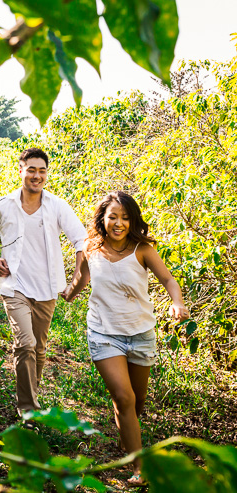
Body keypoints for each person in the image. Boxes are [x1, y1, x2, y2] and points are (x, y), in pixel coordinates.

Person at [62, 191, 189, 487]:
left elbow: (168, 279)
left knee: (136, 401)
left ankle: (126, 434)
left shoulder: (142, 249)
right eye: (113, 217)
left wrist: (177, 302)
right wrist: (68, 292)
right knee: (124, 397)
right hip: (104, 332)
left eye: (125, 218)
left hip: (141, 334)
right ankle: (138, 467)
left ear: (132, 221)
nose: (118, 223)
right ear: (102, 219)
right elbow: (81, 278)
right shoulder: (90, 247)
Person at [0, 147, 86, 418]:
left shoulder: (57, 206)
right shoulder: (2, 206)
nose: (36, 176)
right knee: (25, 344)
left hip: (47, 288)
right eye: (31, 170)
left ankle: (31, 392)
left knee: (38, 349)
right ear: (20, 171)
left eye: (42, 171)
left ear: (46, 174)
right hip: (14, 286)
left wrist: (76, 278)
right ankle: (28, 410)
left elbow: (81, 240)